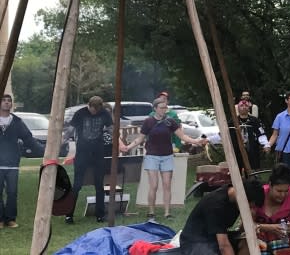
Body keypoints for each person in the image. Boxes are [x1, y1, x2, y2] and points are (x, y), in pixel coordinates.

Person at [120, 97, 207, 218]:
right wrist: (128, 147)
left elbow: (182, 136)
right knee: (154, 185)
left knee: (167, 185)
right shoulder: (148, 122)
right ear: (155, 108)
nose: (164, 110)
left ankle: (167, 212)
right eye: (161, 107)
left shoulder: (170, 121)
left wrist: (197, 141)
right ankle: (151, 211)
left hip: (167, 156)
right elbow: (140, 138)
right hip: (152, 156)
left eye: (165, 107)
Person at [180, 178, 265, 255]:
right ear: (243, 198)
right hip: (194, 241)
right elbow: (223, 246)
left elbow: (242, 231)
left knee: (248, 241)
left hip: (214, 238)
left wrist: (250, 220)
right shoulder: (216, 205)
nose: (251, 209)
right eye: (250, 207)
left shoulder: (236, 196)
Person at [64, 95, 114, 224]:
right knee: (77, 185)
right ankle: (69, 214)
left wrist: (115, 136)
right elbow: (70, 129)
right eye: (93, 110)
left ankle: (100, 214)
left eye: (97, 110)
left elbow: (111, 128)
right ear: (89, 105)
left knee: (99, 185)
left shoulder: (104, 113)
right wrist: (62, 141)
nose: (95, 112)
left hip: (98, 153)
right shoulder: (80, 113)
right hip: (82, 152)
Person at [0, 94, 42, 228]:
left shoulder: (17, 122)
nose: (7, 103)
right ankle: (0, 220)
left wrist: (44, 151)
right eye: (4, 101)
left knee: (12, 193)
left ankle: (10, 219)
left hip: (12, 164)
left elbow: (28, 139)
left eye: (9, 101)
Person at [252, 163, 290, 247]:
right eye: (279, 191)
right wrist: (271, 228)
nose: (283, 195)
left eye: (286, 191)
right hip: (257, 240)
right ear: (270, 185)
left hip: (283, 240)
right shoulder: (258, 194)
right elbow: (245, 225)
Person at [230, 99, 268, 174]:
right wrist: (209, 139)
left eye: (246, 105)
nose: (244, 107)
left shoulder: (255, 121)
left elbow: (261, 134)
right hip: (237, 153)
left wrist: (266, 144)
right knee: (237, 174)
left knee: (252, 175)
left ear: (249, 108)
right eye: (241, 105)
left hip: (252, 153)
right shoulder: (232, 121)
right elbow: (224, 134)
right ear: (238, 108)